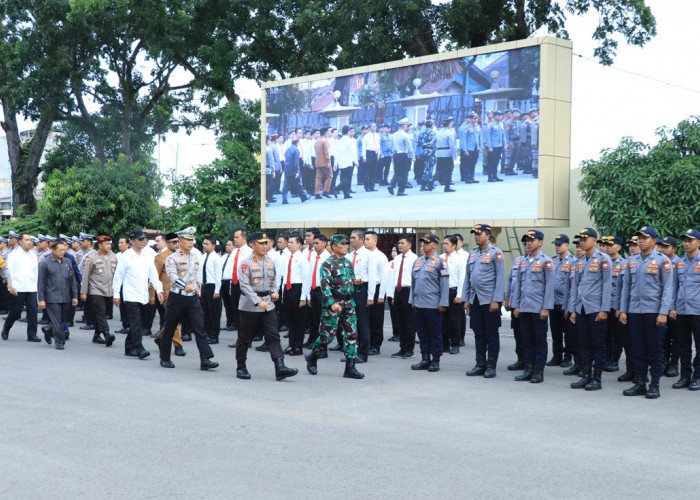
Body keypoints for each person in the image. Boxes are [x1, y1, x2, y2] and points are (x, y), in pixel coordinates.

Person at [619, 226, 673, 399]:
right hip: (635, 311)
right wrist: (623, 310)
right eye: (639, 238)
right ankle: (640, 382)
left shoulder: (662, 261)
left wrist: (663, 312)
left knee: (655, 349)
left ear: (654, 241)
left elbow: (668, 288)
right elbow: (626, 287)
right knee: (638, 348)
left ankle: (655, 384)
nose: (640, 240)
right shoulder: (632, 261)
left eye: (644, 237)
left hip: (654, 312)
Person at [157, 227, 219, 371]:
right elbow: (172, 276)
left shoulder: (195, 256)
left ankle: (205, 359)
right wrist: (184, 286)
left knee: (199, 327)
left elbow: (194, 276)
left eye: (192, 240)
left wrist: (196, 286)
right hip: (176, 297)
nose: (191, 243)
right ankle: (165, 358)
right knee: (170, 327)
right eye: (188, 240)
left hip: (191, 298)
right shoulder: (172, 258)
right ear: (180, 241)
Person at [305, 234, 364, 379]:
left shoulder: (348, 263)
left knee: (352, 335)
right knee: (327, 336)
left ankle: (350, 367)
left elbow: (350, 283)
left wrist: (356, 284)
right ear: (334, 246)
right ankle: (313, 356)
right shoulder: (327, 264)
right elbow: (324, 287)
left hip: (349, 304)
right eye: (342, 244)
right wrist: (332, 304)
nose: (346, 246)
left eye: (346, 244)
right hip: (334, 305)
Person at [568, 227, 612, 391]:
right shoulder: (579, 261)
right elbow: (575, 286)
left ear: (594, 240)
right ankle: (585, 375)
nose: (582, 242)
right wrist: (573, 309)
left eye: (585, 239)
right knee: (584, 343)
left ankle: (596, 378)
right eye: (580, 239)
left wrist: (604, 309)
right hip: (581, 309)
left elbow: (607, 285)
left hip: (596, 308)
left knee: (597, 344)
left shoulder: (603, 259)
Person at [511, 230, 555, 383]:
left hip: (538, 308)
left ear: (540, 242)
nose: (528, 242)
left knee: (539, 340)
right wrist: (516, 305)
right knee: (526, 339)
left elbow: (549, 287)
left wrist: (546, 308)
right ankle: (528, 369)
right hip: (524, 307)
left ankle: (538, 371)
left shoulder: (546, 262)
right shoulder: (523, 261)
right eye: (527, 240)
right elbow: (518, 286)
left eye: (532, 239)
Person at [112, 229, 163, 359]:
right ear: (132, 241)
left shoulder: (147, 256)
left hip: (143, 294)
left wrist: (159, 290)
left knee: (139, 322)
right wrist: (116, 294)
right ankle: (139, 348)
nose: (144, 241)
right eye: (141, 239)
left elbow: (153, 275)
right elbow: (118, 276)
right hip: (130, 294)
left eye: (145, 239)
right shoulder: (125, 256)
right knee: (135, 322)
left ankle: (129, 348)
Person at [462, 224, 505, 378]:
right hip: (475, 299)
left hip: (489, 300)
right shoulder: (473, 254)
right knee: (478, 333)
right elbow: (468, 277)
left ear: (488, 235)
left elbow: (500, 279)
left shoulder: (496, 253)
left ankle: (491, 365)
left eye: (479, 234)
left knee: (491, 333)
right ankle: (480, 364)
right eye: (475, 234)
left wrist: (496, 300)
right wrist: (466, 298)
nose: (476, 236)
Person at [409, 234, 449, 372]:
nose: (424, 245)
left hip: (433, 305)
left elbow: (444, 284)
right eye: (422, 243)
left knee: (435, 333)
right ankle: (425, 358)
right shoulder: (418, 261)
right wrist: (412, 300)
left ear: (434, 245)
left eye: (427, 243)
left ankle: (436, 360)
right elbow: (413, 283)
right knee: (422, 333)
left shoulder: (440, 262)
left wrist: (443, 303)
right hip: (419, 304)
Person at [672, 228, 700, 390]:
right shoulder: (679, 263)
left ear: (698, 242)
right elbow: (674, 287)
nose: (686, 243)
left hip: (697, 310)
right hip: (681, 310)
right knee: (683, 346)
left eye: (690, 240)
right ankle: (684, 376)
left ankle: (697, 377)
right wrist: (672, 307)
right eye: (685, 240)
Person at [37, 239, 78, 350]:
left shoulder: (67, 262)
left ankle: (48, 329)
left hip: (66, 296)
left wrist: (75, 296)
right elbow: (41, 282)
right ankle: (59, 341)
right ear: (53, 250)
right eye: (60, 250)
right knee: (56, 319)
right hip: (52, 297)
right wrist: (41, 299)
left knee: (62, 319)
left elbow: (72, 280)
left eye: (64, 250)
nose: (62, 252)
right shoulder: (45, 263)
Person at [80, 235, 117, 346]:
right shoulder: (92, 258)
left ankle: (96, 335)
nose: (108, 246)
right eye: (106, 244)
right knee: (100, 312)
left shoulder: (114, 257)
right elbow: (86, 276)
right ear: (100, 245)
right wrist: (83, 292)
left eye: (109, 243)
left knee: (103, 314)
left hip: (109, 290)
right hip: (96, 290)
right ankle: (106, 334)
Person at [2, 233, 40, 342]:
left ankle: (32, 335)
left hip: (31, 287)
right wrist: (11, 286)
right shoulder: (14, 254)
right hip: (18, 287)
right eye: (27, 240)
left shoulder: (33, 255)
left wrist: (37, 286)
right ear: (20, 241)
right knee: (15, 311)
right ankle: (6, 328)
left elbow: (36, 272)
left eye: (30, 240)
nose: (29, 242)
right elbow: (10, 271)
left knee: (32, 311)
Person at [277, 235, 310, 356]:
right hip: (287, 288)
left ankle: (298, 346)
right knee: (290, 320)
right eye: (289, 242)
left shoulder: (302, 259)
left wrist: (303, 298)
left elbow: (306, 279)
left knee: (298, 320)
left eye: (291, 242)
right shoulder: (286, 258)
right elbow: (284, 277)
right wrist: (282, 294)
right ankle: (291, 345)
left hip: (298, 288)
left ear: (299, 245)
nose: (289, 244)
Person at [153, 233, 186, 356]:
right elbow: (154, 276)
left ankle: (160, 337)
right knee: (175, 319)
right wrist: (152, 293)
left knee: (172, 320)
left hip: (182, 292)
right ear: (167, 243)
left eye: (178, 241)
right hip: (167, 294)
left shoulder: (183, 256)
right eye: (173, 242)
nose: (177, 244)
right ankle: (178, 345)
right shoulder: (161, 257)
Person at [386, 236, 417, 358]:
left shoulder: (415, 259)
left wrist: (414, 297)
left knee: (409, 322)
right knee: (400, 321)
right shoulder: (397, 259)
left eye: (402, 243)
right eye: (399, 243)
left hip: (408, 291)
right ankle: (402, 348)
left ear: (409, 245)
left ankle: (409, 349)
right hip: (397, 291)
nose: (400, 245)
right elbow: (394, 277)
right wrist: (393, 295)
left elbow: (415, 279)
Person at [548, 234, 575, 367]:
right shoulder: (553, 261)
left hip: (566, 303)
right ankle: (557, 355)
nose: (557, 247)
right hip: (554, 302)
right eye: (556, 245)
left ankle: (568, 356)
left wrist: (569, 306)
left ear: (567, 246)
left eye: (560, 245)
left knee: (568, 332)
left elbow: (573, 286)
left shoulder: (573, 262)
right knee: (555, 331)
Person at [657, 236, 681, 377]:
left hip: (675, 307)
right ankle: (664, 361)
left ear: (674, 249)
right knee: (663, 337)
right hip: (661, 306)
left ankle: (673, 364)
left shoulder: (679, 263)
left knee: (676, 337)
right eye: (662, 246)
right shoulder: (659, 261)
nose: (663, 249)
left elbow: (676, 288)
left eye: (666, 246)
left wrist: (673, 307)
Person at [227, 229, 253, 347]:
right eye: (234, 237)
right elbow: (234, 269)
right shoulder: (234, 252)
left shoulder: (249, 252)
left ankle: (247, 340)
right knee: (236, 312)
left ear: (244, 238)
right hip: (235, 284)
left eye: (237, 237)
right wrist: (232, 284)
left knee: (245, 314)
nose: (234, 239)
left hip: (245, 285)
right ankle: (240, 339)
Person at [440, 235, 465, 354]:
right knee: (442, 319)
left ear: (454, 246)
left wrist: (460, 295)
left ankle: (455, 343)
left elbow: (462, 278)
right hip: (442, 292)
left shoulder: (460, 259)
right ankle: (444, 344)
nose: (444, 246)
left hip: (453, 291)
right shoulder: (440, 258)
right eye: (443, 244)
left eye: (447, 244)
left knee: (454, 320)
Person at [347, 229, 370, 362]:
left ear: (361, 239)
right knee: (350, 323)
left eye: (354, 237)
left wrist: (371, 296)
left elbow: (371, 276)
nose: (351, 240)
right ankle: (351, 352)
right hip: (350, 289)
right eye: (351, 237)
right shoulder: (349, 256)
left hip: (362, 289)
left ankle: (363, 352)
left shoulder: (368, 255)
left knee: (362, 322)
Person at [364, 230, 388, 355]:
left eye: (368, 239)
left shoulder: (380, 256)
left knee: (376, 319)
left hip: (377, 289)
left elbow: (384, 277)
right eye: (365, 239)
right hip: (365, 288)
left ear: (375, 241)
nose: (365, 241)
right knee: (365, 319)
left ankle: (375, 345)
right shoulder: (363, 255)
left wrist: (380, 295)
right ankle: (366, 343)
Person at [198, 236, 223, 344]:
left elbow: (218, 275)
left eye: (207, 244)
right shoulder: (203, 257)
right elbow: (199, 273)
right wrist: (199, 287)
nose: (205, 246)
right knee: (205, 312)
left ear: (213, 245)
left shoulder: (216, 258)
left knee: (214, 313)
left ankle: (214, 336)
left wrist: (217, 291)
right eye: (204, 244)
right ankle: (207, 334)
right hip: (204, 286)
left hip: (213, 287)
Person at [307, 234, 330, 348]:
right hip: (314, 290)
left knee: (323, 320)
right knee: (314, 318)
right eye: (314, 243)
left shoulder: (328, 258)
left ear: (324, 244)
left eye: (317, 243)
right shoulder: (313, 257)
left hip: (323, 291)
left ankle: (322, 346)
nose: (314, 246)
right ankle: (313, 340)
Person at [504, 250, 525, 370]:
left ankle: (530, 362)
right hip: (515, 303)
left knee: (528, 335)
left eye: (530, 241)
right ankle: (520, 359)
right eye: (525, 242)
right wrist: (507, 299)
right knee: (517, 332)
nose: (527, 245)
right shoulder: (517, 261)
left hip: (529, 305)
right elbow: (510, 282)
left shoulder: (544, 261)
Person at [388, 118, 414, 196]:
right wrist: (412, 156)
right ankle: (401, 191)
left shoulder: (394, 134)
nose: (408, 128)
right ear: (403, 126)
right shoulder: (405, 135)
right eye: (407, 126)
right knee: (404, 173)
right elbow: (409, 147)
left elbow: (391, 146)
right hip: (403, 155)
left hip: (395, 155)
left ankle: (391, 185)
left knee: (397, 172)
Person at [282, 138, 309, 204]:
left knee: (286, 185)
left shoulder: (288, 149)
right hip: (293, 169)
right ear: (297, 143)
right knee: (298, 184)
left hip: (287, 169)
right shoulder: (296, 150)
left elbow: (285, 157)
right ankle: (304, 197)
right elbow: (296, 162)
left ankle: (284, 199)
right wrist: (297, 171)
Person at [434, 119, 457, 192]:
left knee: (440, 169)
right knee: (448, 170)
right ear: (449, 125)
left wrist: (436, 149)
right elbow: (452, 145)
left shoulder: (438, 132)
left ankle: (431, 180)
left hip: (439, 153)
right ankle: (447, 187)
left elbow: (432, 142)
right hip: (447, 153)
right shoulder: (449, 133)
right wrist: (454, 155)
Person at [458, 112, 482, 184]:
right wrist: (465, 150)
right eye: (473, 118)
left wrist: (480, 147)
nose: (475, 120)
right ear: (470, 119)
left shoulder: (478, 127)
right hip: (469, 148)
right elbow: (463, 139)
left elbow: (480, 137)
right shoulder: (466, 128)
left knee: (473, 163)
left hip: (475, 147)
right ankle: (467, 177)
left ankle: (472, 177)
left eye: (476, 118)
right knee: (467, 163)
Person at [335, 125, 358, 199]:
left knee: (343, 177)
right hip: (348, 161)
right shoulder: (349, 140)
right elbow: (352, 152)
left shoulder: (340, 140)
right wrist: (356, 161)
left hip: (341, 161)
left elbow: (337, 152)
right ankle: (336, 188)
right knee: (348, 178)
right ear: (348, 131)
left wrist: (336, 162)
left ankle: (346, 193)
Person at [483, 111, 504, 182]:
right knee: (491, 162)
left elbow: (503, 135)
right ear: (494, 116)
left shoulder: (501, 124)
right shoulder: (490, 124)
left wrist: (504, 144)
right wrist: (489, 146)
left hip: (499, 145)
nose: (501, 117)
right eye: (499, 115)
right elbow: (488, 136)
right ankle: (490, 177)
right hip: (493, 146)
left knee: (497, 161)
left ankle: (495, 176)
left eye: (501, 115)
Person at [220, 238, 235, 331]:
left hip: (230, 282)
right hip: (223, 282)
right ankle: (228, 322)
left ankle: (234, 323)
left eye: (229, 245)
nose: (227, 246)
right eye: (226, 245)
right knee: (226, 304)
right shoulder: (224, 257)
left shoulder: (234, 257)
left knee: (232, 303)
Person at [417, 120, 437, 191]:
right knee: (429, 169)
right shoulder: (433, 132)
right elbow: (435, 142)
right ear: (432, 125)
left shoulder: (421, 132)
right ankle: (424, 184)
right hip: (430, 151)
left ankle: (428, 184)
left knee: (426, 167)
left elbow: (418, 143)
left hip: (423, 151)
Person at [314, 128, 332, 199]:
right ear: (325, 133)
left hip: (318, 162)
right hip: (324, 162)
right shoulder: (325, 141)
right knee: (329, 176)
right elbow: (326, 152)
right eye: (328, 132)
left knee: (318, 178)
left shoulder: (317, 141)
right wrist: (328, 161)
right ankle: (325, 191)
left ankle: (317, 193)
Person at [362, 123, 380, 191]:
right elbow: (364, 147)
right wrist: (364, 157)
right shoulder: (366, 136)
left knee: (374, 170)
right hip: (368, 152)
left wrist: (378, 154)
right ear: (370, 128)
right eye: (373, 127)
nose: (374, 128)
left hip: (375, 153)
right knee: (367, 171)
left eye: (375, 126)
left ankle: (372, 186)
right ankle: (367, 186)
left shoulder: (377, 135)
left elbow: (378, 145)